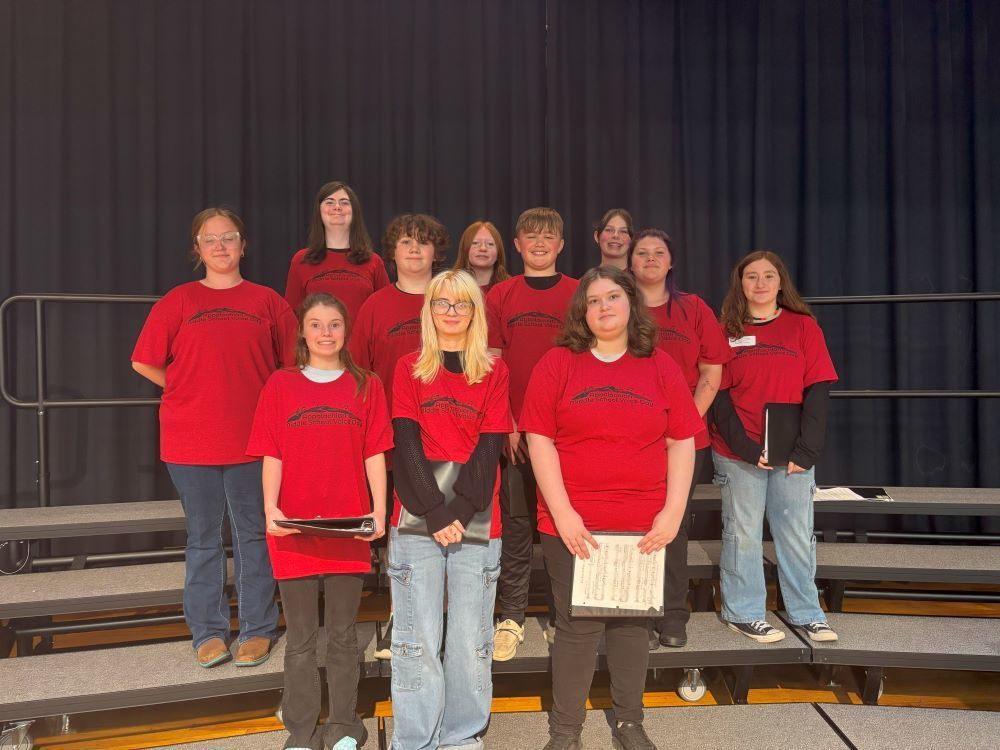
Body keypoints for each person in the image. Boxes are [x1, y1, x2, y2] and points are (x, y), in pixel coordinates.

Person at [520, 266, 702, 750]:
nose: (604, 306)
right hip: (573, 523)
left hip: (642, 525)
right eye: (594, 300)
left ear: (631, 304)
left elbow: (682, 441)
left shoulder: (660, 365)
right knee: (576, 627)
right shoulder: (557, 363)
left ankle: (628, 723)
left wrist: (672, 512)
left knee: (632, 625)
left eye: (613, 297)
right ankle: (566, 732)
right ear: (582, 311)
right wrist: (563, 513)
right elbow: (539, 440)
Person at [131, 208, 293, 668]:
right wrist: (183, 388)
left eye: (229, 237)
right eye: (210, 239)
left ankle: (258, 629)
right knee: (203, 538)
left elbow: (290, 367)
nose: (221, 246)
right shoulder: (178, 301)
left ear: (243, 245)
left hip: (253, 440)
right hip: (190, 441)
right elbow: (143, 360)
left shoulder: (268, 302)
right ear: (197, 249)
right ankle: (208, 631)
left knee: (253, 535)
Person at [248, 293, 391, 750]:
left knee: (344, 635)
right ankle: (303, 731)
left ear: (346, 331)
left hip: (347, 528)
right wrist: (270, 509)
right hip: (293, 529)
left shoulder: (367, 385)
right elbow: (272, 453)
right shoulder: (280, 385)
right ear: (303, 332)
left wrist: (379, 510)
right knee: (302, 638)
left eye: (334, 324)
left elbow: (374, 452)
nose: (325, 333)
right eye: (315, 324)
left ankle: (345, 725)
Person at [388, 270, 510, 750]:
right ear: (429, 310)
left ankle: (461, 737)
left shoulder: (494, 371)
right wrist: (435, 513)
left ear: (475, 311)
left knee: (468, 639)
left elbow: (490, 446)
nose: (452, 312)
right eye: (442, 302)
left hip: (476, 517)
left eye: (462, 303)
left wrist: (457, 511)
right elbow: (406, 444)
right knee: (415, 638)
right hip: (418, 517)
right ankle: (416, 739)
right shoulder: (409, 367)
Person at [710, 250, 839, 643]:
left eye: (769, 275)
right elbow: (717, 396)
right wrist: (747, 449)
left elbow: (818, 389)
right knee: (744, 534)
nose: (761, 283)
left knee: (796, 533)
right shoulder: (725, 330)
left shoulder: (803, 327)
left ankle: (807, 613)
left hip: (791, 454)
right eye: (752, 276)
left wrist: (807, 451)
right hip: (739, 452)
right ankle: (744, 613)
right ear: (740, 283)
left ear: (781, 282)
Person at [351, 213, 450, 659]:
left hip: (448, 439)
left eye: (423, 243)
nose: (414, 249)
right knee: (402, 533)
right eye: (406, 242)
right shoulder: (375, 306)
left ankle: (444, 619)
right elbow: (358, 374)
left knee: (447, 529)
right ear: (391, 252)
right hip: (393, 440)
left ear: (435, 253)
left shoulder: (451, 300)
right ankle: (401, 616)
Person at [628, 229, 730, 648]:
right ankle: (636, 614)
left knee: (672, 525)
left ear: (671, 262)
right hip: (631, 438)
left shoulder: (694, 309)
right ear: (630, 261)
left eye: (659, 253)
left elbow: (711, 374)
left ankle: (672, 615)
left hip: (683, 441)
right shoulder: (618, 305)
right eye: (642, 252)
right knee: (632, 524)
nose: (650, 258)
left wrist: (681, 425)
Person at [485, 207, 578, 660]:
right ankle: (512, 617)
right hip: (517, 434)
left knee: (564, 527)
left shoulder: (579, 293)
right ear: (518, 245)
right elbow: (492, 362)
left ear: (561, 245)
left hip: (567, 434)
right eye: (531, 236)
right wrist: (506, 419)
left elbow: (587, 360)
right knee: (518, 528)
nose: (539, 243)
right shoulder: (501, 295)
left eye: (548, 236)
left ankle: (565, 617)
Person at [284, 181, 389, 322]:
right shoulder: (301, 260)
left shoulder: (373, 261)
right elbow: (292, 318)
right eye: (330, 202)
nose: (337, 207)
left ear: (354, 211)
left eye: (344, 202)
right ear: (319, 211)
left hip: (363, 338)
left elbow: (385, 314)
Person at [451, 220, 510, 293]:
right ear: (465, 250)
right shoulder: (450, 286)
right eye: (475, 243)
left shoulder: (511, 287)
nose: (483, 248)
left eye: (490, 244)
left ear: (498, 252)